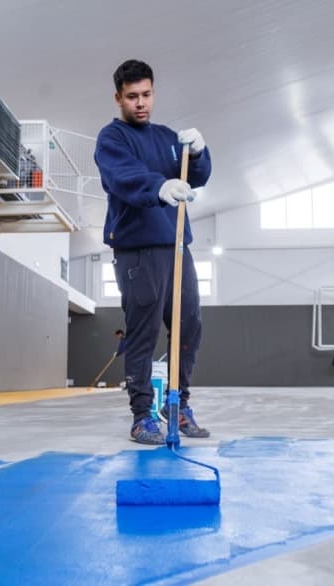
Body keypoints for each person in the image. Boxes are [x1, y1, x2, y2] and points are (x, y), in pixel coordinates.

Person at [94, 59, 212, 445]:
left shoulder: (166, 137)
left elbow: (194, 176)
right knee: (143, 334)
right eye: (132, 97)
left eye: (146, 95)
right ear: (118, 98)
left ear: (153, 92)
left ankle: (178, 406)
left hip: (178, 245)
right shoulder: (112, 139)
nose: (140, 103)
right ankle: (142, 415)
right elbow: (124, 177)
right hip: (138, 250)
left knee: (188, 327)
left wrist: (198, 152)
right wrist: (158, 188)